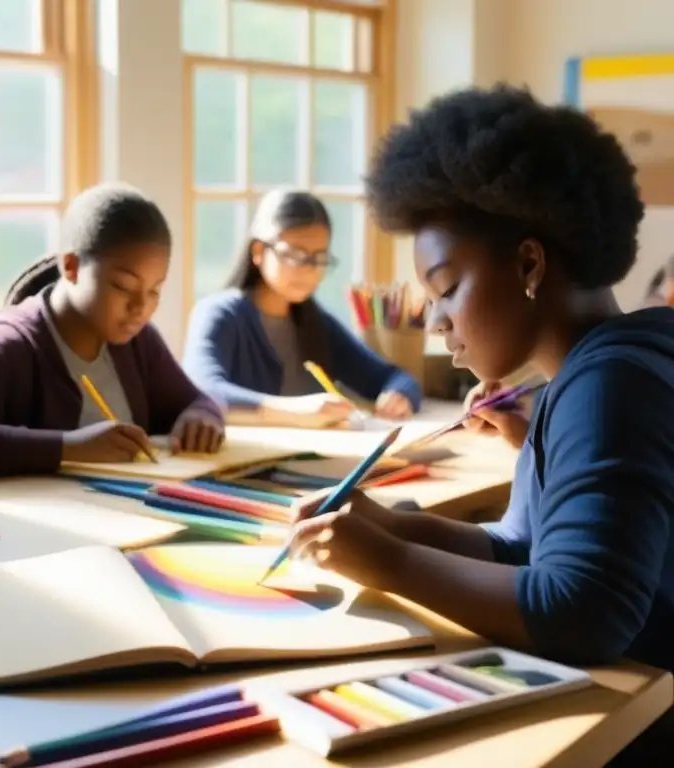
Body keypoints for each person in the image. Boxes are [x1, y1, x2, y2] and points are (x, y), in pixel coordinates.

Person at [288, 84, 674, 759]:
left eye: (445, 290)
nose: (436, 322)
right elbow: (526, 548)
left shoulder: (609, 382)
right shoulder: (606, 362)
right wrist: (388, 523)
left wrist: (392, 562)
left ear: (528, 263)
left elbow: (585, 609)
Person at [0, 183, 225, 478]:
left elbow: (195, 401)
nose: (140, 306)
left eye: (154, 290)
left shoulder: (138, 341)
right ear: (71, 266)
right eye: (123, 286)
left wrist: (201, 417)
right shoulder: (9, 342)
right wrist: (67, 447)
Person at [182, 189, 421, 427]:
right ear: (258, 251)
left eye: (319, 257)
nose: (309, 269)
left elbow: (396, 378)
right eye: (295, 255)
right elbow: (204, 390)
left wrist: (399, 395)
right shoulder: (219, 313)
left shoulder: (316, 322)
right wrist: (296, 411)